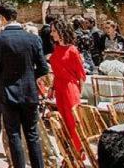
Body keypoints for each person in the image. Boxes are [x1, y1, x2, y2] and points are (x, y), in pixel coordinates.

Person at [0, 4, 49, 168]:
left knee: (14, 135)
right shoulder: (33, 38)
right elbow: (43, 68)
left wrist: (0, 80)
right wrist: (29, 77)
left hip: (7, 92)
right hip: (29, 91)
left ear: (3, 18)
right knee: (32, 134)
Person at [48, 18, 86, 157]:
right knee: (63, 121)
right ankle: (67, 153)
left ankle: (79, 152)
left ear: (61, 31)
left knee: (73, 121)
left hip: (70, 89)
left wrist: (79, 94)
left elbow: (81, 75)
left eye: (54, 31)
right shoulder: (57, 48)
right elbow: (57, 71)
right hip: (59, 87)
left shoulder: (72, 50)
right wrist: (52, 87)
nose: (52, 34)